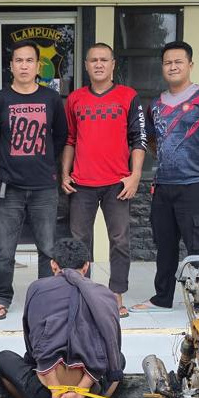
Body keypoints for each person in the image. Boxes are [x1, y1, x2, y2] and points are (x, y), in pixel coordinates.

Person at [131, 40, 199, 312]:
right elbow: (151, 139)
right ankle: (162, 297)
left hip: (194, 186)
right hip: (163, 186)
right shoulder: (156, 104)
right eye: (167, 62)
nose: (173, 66)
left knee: (198, 245)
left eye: (178, 61)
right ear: (162, 67)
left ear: (190, 65)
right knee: (165, 245)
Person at [61, 42, 147, 319]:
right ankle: (82, 294)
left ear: (113, 65)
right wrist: (65, 173)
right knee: (79, 242)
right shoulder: (75, 99)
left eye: (104, 59)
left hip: (117, 183)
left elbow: (139, 139)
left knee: (120, 241)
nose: (98, 64)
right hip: (82, 183)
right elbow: (70, 139)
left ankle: (116, 296)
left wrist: (135, 176)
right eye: (93, 60)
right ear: (86, 66)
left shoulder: (128, 96)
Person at [0, 39, 68, 320]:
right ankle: (0, 298)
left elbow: (60, 136)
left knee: (47, 248)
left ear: (38, 66)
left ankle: (44, 300)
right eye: (18, 60)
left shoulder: (51, 99)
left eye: (29, 60)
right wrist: (12, 160)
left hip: (44, 186)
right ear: (11, 66)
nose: (24, 66)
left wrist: (44, 162)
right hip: (10, 186)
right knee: (4, 249)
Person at [0, 238, 123, 398]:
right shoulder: (104, 294)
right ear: (86, 266)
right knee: (119, 358)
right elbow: (110, 349)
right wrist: (79, 394)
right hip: (88, 397)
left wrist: (55, 391)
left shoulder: (38, 288)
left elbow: (35, 347)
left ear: (53, 265)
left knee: (3, 358)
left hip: (46, 396)